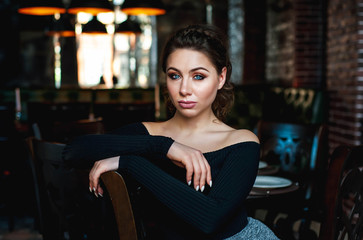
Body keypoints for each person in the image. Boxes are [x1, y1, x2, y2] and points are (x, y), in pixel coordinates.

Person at [62, 24, 279, 239]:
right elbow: (73, 150)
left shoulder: (242, 142)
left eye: (198, 76)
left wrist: (131, 162)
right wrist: (163, 146)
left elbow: (209, 220)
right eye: (175, 76)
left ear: (221, 78)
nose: (184, 89)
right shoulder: (148, 133)